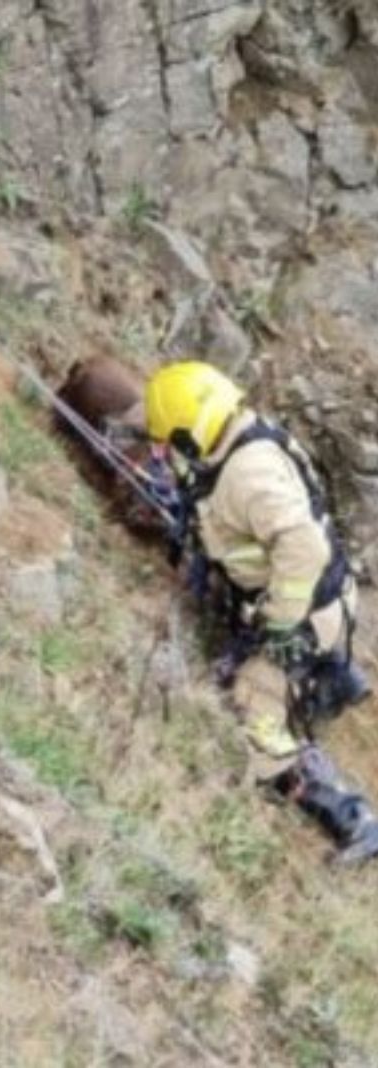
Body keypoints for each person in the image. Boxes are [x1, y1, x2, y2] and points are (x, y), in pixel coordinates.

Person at [145, 361, 377, 863]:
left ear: (190, 435)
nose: (164, 455)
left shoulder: (249, 476)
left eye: (167, 444)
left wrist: (281, 627)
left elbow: (305, 549)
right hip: (310, 603)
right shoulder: (238, 443)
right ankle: (327, 676)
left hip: (305, 613)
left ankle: (351, 816)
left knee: (251, 713)